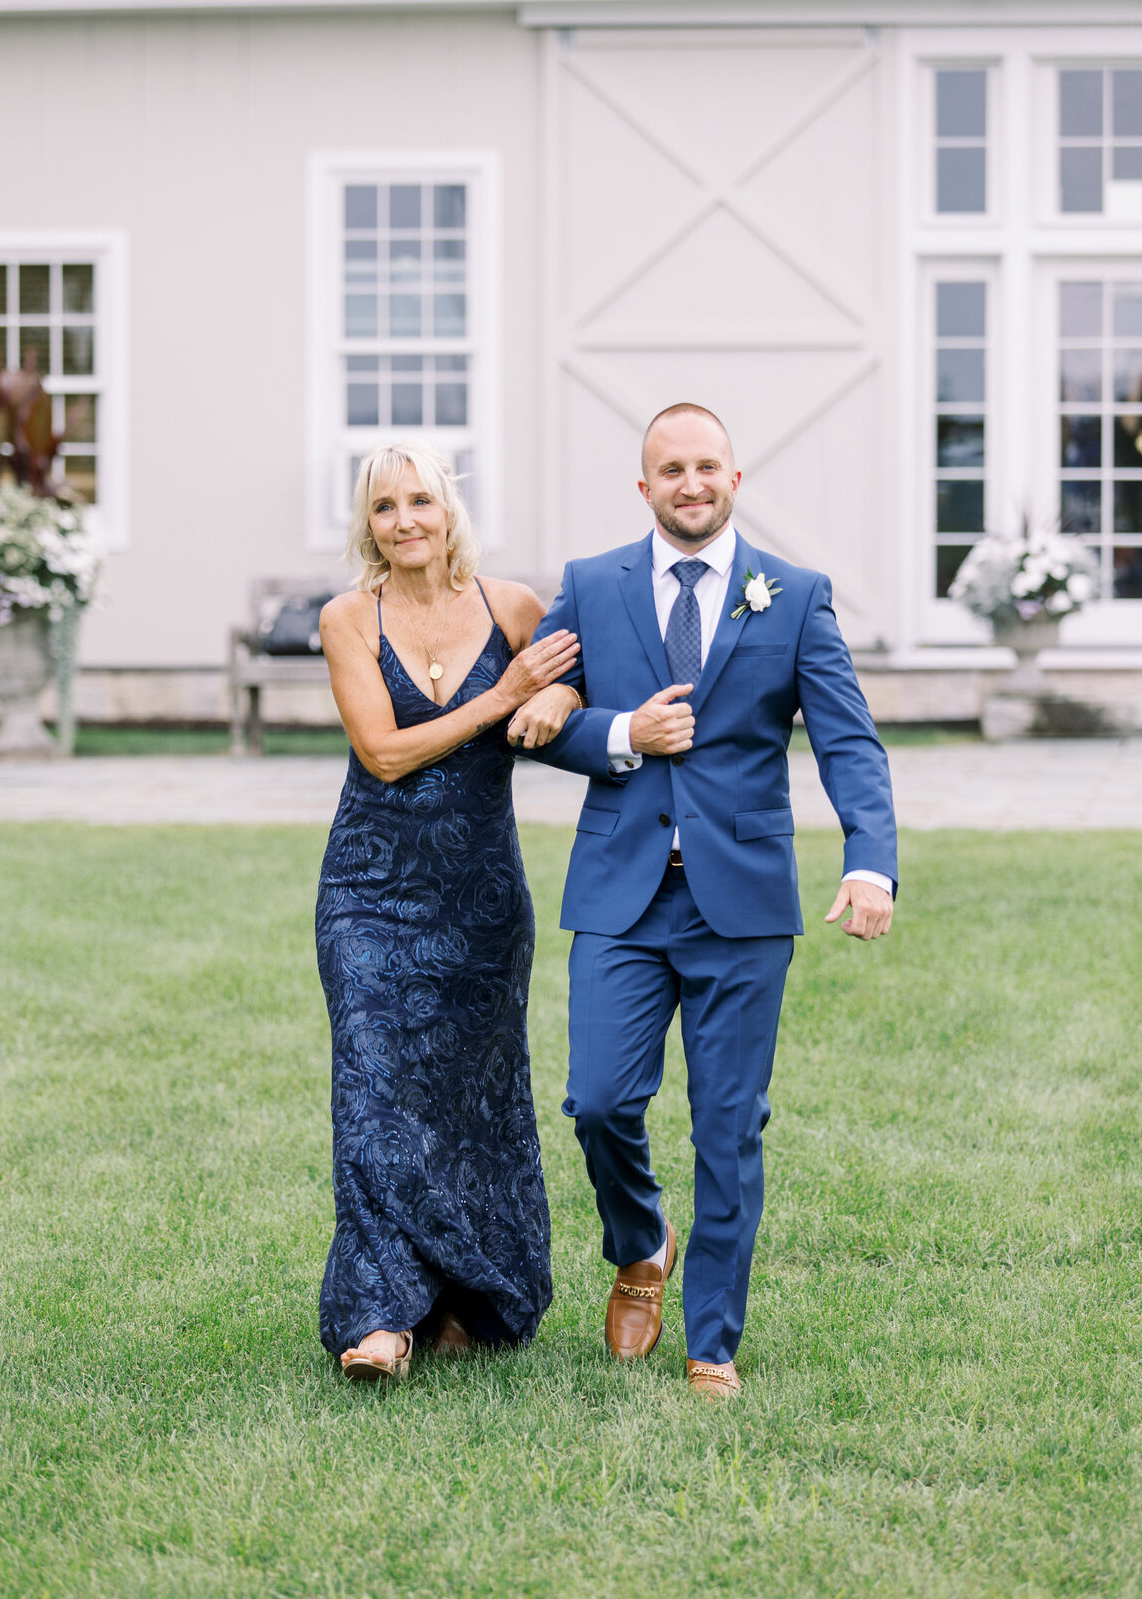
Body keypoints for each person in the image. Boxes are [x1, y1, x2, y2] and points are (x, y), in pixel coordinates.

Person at [508, 403, 898, 1400]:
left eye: (708, 467)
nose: (691, 483)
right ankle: (642, 1244)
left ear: (735, 479)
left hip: (745, 904)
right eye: (670, 469)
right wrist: (619, 732)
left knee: (729, 1125)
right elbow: (534, 716)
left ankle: (710, 1344)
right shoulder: (593, 588)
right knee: (599, 1102)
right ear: (645, 487)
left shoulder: (795, 595)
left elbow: (847, 739)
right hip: (622, 900)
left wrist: (870, 862)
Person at [315, 439, 593, 1383]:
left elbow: (584, 673)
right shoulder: (349, 618)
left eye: (421, 502)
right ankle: (382, 1316)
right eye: (386, 508)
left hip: (480, 898)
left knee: (473, 1102)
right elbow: (385, 753)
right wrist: (504, 698)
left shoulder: (510, 606)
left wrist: (551, 694)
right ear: (369, 525)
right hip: (370, 891)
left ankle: (468, 1300)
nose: (406, 522)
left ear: (449, 510)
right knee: (376, 1095)